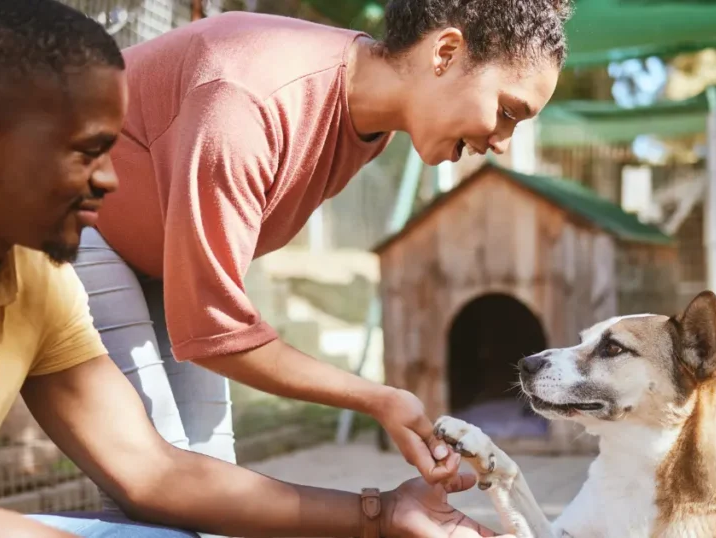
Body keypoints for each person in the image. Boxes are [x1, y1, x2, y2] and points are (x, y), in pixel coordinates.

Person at [0, 1, 507, 537]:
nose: (112, 179)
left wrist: (379, 516)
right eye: (86, 152)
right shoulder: (246, 96)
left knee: (190, 514)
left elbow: (155, 476)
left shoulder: (36, 283)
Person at [77, 0, 570, 508]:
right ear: (444, 51)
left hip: (157, 259)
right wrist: (375, 399)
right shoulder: (250, 100)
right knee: (162, 484)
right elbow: (213, 330)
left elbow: (207, 322)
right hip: (75, 223)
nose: (504, 143)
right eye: (507, 111)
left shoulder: (368, 123)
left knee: (208, 473)